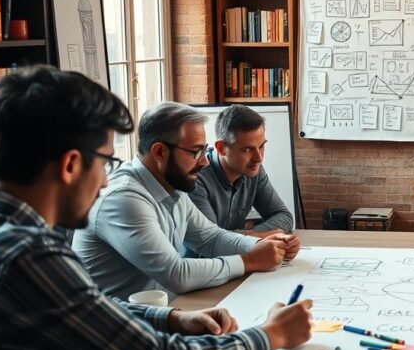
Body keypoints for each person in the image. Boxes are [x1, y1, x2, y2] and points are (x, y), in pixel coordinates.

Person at [0, 66, 313, 350]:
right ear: (71, 164)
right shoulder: (29, 258)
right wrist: (269, 335)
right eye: (105, 161)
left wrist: (172, 318)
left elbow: (89, 305)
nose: (104, 181)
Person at [73, 102, 300, 300]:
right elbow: (176, 274)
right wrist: (249, 260)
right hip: (114, 325)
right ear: (160, 152)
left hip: (163, 311)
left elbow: (211, 238)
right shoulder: (124, 199)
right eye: (195, 152)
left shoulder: (172, 185)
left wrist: (261, 246)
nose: (204, 162)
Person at [190, 105, 294, 236]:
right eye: (247, 150)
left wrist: (249, 234)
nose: (259, 158)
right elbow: (211, 239)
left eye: (261, 146)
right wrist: (260, 235)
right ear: (221, 148)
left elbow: (284, 217)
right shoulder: (196, 179)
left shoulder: (253, 170)